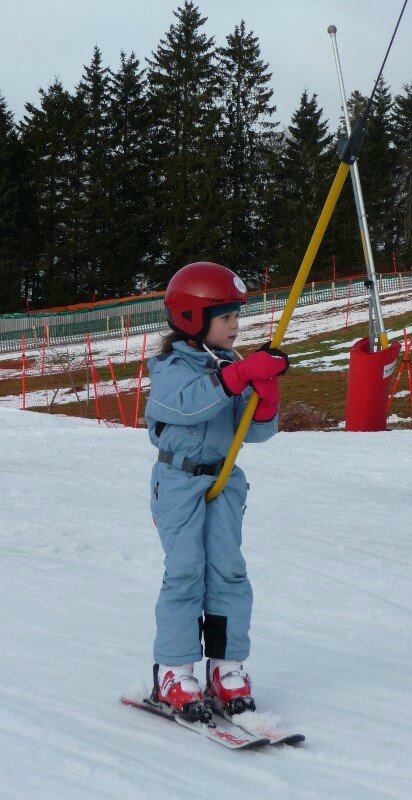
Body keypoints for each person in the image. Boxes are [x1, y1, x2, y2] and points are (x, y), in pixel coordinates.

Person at [145, 261, 289, 722]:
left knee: (228, 572)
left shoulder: (229, 365)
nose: (235, 326)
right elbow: (183, 406)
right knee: (186, 572)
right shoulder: (169, 367)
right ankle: (174, 671)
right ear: (192, 318)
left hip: (224, 481)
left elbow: (255, 434)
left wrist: (264, 399)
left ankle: (226, 669)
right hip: (179, 482)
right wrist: (239, 376)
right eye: (226, 317)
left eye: (235, 317)